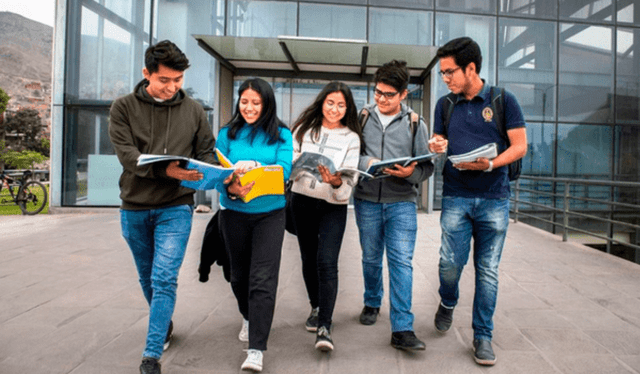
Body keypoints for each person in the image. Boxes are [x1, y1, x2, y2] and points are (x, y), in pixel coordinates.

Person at [109, 40, 216, 374]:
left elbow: (207, 151)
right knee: (148, 278)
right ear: (147, 74)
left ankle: (151, 355)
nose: (172, 87)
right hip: (135, 207)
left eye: (178, 80)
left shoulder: (194, 110)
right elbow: (127, 155)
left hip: (176, 206)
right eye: (165, 80)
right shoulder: (122, 107)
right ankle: (164, 323)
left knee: (164, 277)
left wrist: (214, 173)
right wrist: (163, 169)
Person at [428, 36, 527, 366]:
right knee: (449, 265)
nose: (446, 79)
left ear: (471, 68)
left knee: (487, 271)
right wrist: (437, 143)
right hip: (456, 196)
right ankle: (448, 299)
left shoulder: (502, 100)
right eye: (442, 73)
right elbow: (440, 138)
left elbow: (519, 146)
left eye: (450, 72)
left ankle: (482, 335)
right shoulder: (445, 104)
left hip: (494, 199)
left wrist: (491, 163)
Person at [354, 60, 434, 351]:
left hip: (402, 202)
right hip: (366, 200)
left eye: (389, 94)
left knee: (401, 262)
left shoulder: (416, 123)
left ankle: (402, 328)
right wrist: (368, 163)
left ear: (403, 94)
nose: (381, 99)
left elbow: (427, 166)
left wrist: (409, 173)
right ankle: (372, 302)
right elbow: (351, 154)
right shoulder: (361, 117)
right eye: (378, 92)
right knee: (371, 258)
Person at [215, 78, 293, 372]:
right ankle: (247, 316)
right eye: (244, 101)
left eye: (256, 103)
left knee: (262, 279)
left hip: (270, 215)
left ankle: (256, 348)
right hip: (233, 213)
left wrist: (258, 169)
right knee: (238, 277)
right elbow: (217, 173)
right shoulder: (227, 133)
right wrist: (230, 186)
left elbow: (285, 171)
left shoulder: (282, 135)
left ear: (267, 104)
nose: (249, 107)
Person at [289, 81, 362, 352]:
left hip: (333, 206)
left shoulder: (352, 137)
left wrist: (334, 181)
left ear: (347, 108)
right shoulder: (303, 130)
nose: (335, 108)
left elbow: (350, 178)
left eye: (341, 105)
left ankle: (325, 327)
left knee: (327, 262)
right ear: (322, 102)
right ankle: (316, 307)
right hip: (301, 202)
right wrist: (296, 169)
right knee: (308, 258)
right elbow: (290, 165)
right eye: (330, 102)